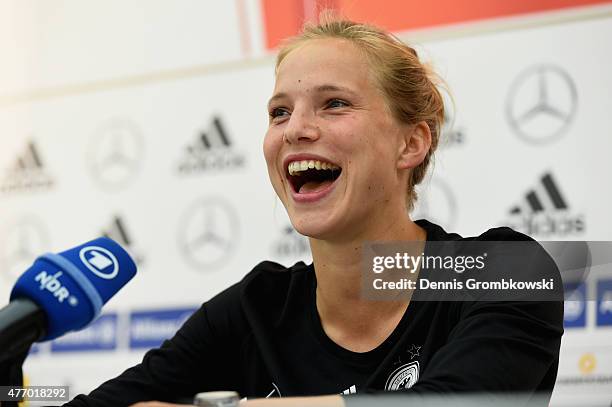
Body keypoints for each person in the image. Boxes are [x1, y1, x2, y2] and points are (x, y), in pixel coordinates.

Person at [63, 15, 563, 407]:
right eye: (280, 111)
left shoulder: (504, 271)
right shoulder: (256, 309)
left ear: (411, 143)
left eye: (334, 104)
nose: (294, 129)